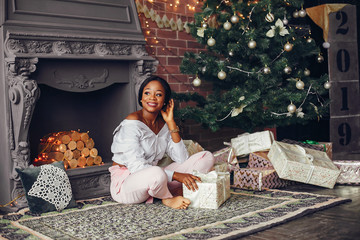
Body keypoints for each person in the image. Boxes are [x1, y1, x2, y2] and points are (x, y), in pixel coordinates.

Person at [109, 75, 215, 210]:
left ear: (165, 101)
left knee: (206, 157)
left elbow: (182, 159)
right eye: (147, 93)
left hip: (155, 176)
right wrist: (176, 176)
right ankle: (168, 198)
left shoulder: (163, 124)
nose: (152, 98)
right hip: (127, 184)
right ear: (141, 97)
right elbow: (136, 167)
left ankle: (168, 190)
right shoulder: (131, 123)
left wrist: (171, 123)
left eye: (158, 94)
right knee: (156, 173)